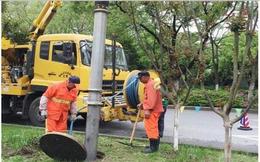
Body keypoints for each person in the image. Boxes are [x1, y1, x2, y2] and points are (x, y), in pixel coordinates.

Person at [137, 71, 164, 153]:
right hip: (155, 109)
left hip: (152, 110)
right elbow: (151, 98)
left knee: (151, 127)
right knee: (154, 127)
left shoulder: (150, 85)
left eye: (140, 78)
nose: (140, 80)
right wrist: (142, 104)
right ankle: (154, 146)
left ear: (145, 77)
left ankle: (153, 148)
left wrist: (148, 110)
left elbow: (152, 99)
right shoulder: (152, 83)